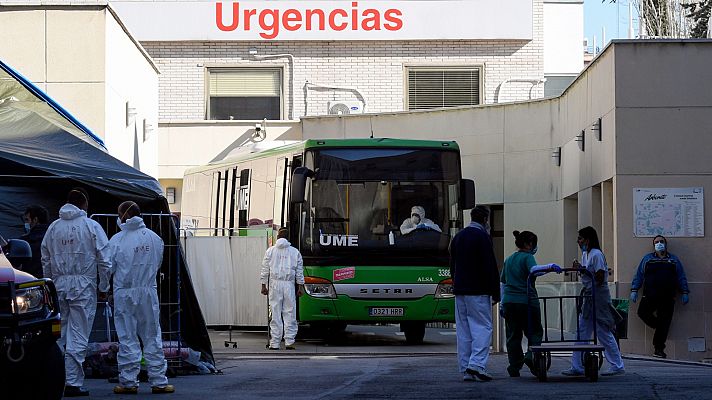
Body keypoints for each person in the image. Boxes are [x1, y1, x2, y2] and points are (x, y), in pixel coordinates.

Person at [41, 188, 111, 397]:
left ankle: (55, 378)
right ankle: (72, 382)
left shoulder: (53, 228)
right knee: (78, 333)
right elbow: (105, 261)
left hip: (58, 284)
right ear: (84, 205)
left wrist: (49, 286)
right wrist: (103, 287)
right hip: (83, 285)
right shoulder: (91, 226)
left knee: (58, 334)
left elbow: (45, 258)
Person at [109, 201, 175, 394]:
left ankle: (128, 382)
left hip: (124, 293)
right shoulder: (155, 239)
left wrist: (104, 288)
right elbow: (158, 264)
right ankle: (159, 381)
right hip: (148, 291)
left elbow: (108, 268)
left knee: (127, 336)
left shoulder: (117, 240)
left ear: (123, 216)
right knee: (152, 335)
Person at [562, 226, 625, 377]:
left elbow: (599, 275)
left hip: (598, 296)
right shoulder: (586, 254)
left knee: (603, 330)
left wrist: (583, 271)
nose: (578, 241)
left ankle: (617, 365)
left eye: (580, 238)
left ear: (588, 240)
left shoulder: (596, 255)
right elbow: (587, 273)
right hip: (590, 295)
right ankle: (576, 365)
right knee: (582, 330)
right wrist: (581, 269)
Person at [500, 230, 561, 377]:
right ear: (528, 244)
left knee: (513, 335)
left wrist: (502, 303)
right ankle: (530, 356)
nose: (535, 247)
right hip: (527, 301)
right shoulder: (527, 258)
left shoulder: (508, 259)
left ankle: (514, 367)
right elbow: (534, 271)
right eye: (534, 244)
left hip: (509, 302)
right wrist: (550, 266)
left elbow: (502, 282)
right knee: (535, 331)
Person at [449, 205, 500, 381]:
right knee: (482, 327)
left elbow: (452, 266)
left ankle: (465, 368)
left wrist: (456, 285)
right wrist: (496, 291)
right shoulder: (483, 237)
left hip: (460, 290)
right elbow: (490, 266)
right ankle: (477, 364)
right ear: (485, 219)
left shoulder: (458, 237)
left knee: (463, 330)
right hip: (478, 290)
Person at [630, 235, 690, 358]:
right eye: (656, 242)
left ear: (666, 244)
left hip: (668, 297)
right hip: (650, 295)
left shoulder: (673, 260)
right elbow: (639, 275)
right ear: (653, 245)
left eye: (661, 241)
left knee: (665, 320)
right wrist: (634, 289)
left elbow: (681, 276)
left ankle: (659, 349)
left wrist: (685, 292)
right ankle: (661, 326)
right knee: (643, 313)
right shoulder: (647, 259)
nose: (659, 244)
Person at [260, 228, 305, 350]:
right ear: (288, 238)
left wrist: (264, 285)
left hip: (274, 284)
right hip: (289, 284)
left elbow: (265, 269)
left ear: (278, 237)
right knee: (290, 312)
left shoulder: (270, 251)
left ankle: (274, 342)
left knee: (275, 312)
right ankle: (289, 341)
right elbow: (299, 271)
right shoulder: (295, 252)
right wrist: (300, 286)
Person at [17, 205, 51, 278]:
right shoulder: (54, 236)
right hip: (52, 282)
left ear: (35, 220)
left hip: (29, 282)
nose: (25, 224)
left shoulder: (25, 240)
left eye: (27, 220)